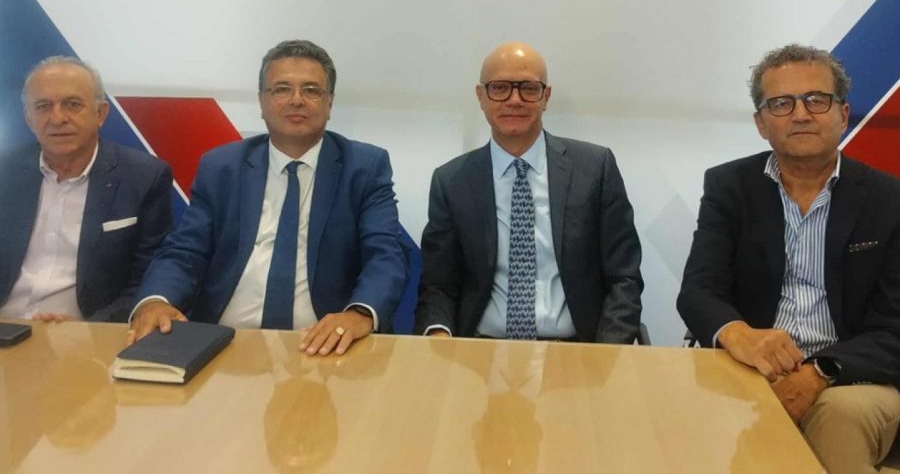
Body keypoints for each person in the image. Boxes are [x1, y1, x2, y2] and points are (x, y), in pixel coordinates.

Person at [677, 43, 900, 474]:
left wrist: (820, 370)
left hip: (852, 376)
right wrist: (738, 333)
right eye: (781, 104)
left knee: (839, 417)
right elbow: (699, 291)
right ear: (761, 124)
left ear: (843, 114)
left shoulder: (889, 199)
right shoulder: (729, 186)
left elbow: (895, 328)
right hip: (748, 365)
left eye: (816, 100)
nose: (800, 114)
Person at [130, 40, 408, 356]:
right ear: (262, 102)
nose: (296, 100)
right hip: (224, 340)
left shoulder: (364, 167)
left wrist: (359, 313)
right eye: (281, 90)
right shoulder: (221, 166)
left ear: (329, 103)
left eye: (311, 90)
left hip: (324, 344)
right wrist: (156, 299)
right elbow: (186, 249)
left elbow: (385, 253)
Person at [414, 41, 643, 342]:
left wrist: (606, 352)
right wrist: (439, 337)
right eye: (499, 88)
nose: (514, 100)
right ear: (480, 96)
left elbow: (624, 277)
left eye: (529, 88)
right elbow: (438, 285)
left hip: (577, 351)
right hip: (481, 352)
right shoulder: (451, 181)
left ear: (546, 96)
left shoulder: (595, 168)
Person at [0, 56, 172, 322]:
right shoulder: (5, 171)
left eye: (72, 104)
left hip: (84, 331)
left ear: (100, 113)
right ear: (29, 119)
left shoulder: (143, 177)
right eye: (43, 106)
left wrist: (90, 330)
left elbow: (147, 279)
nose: (57, 118)